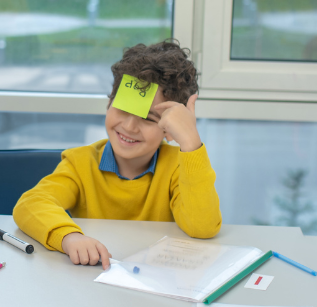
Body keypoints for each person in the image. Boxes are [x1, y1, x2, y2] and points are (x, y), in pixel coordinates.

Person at [13, 40, 222, 268]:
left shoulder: (178, 167)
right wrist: (68, 237)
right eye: (122, 108)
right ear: (109, 103)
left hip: (157, 279)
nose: (130, 127)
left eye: (149, 118)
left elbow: (202, 228)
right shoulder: (79, 163)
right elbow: (30, 205)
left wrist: (190, 141)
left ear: (169, 130)